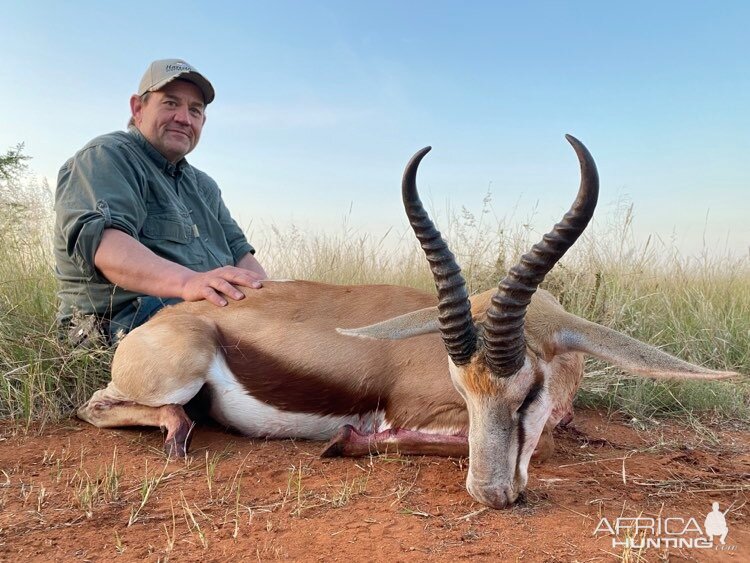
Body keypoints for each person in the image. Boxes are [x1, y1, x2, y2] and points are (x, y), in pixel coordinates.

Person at [54, 59, 266, 344]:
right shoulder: (106, 156)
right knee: (246, 353)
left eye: (195, 110)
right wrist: (188, 282)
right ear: (138, 109)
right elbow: (106, 248)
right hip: (119, 321)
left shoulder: (204, 187)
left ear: (203, 121)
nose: (184, 117)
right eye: (170, 103)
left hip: (203, 312)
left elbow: (241, 255)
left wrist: (271, 299)